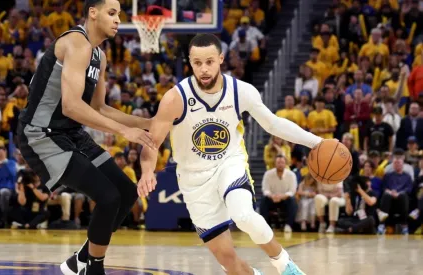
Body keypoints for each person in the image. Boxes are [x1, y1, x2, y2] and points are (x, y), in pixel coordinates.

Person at [138, 34, 325, 275]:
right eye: (197, 63)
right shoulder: (175, 98)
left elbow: (273, 124)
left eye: (209, 62)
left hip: (229, 163)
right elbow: (152, 142)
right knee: (229, 263)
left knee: (243, 215)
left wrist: (317, 142)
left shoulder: (241, 91)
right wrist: (146, 172)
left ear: (220, 59)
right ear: (190, 62)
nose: (203, 69)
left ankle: (285, 265)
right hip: (193, 181)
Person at [17, 1, 156, 274]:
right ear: (93, 12)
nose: (118, 20)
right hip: (41, 133)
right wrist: (125, 131)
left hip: (70, 133)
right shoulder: (75, 43)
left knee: (126, 193)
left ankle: (80, 260)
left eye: (119, 15)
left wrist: (148, 123)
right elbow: (70, 106)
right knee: (107, 198)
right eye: (112, 13)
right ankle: (94, 268)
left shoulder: (98, 56)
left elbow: (99, 108)